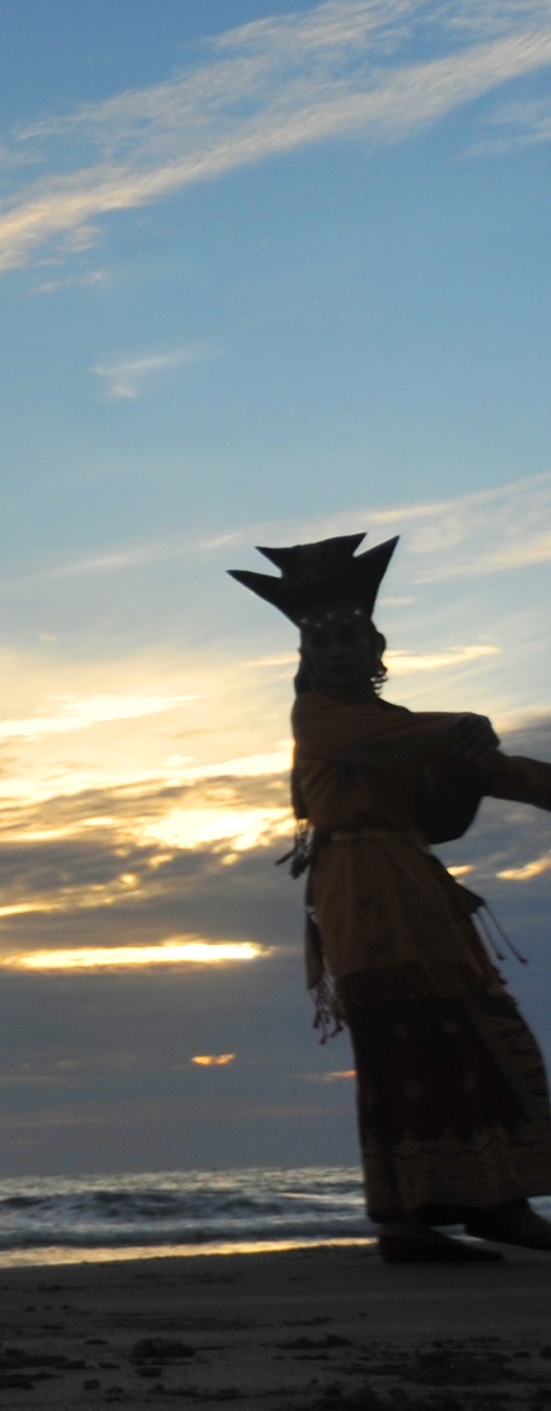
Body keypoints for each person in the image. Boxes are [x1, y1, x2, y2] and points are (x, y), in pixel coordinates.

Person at [234, 534, 551, 1263]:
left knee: (471, 1033)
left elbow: (468, 780)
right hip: (365, 894)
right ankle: (410, 1218)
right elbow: (399, 744)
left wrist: (502, 771)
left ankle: (493, 1200)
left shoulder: (400, 725)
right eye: (323, 640)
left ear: (375, 644)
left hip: (415, 887)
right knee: (403, 1042)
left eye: (350, 635)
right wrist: (461, 730)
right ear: (308, 656)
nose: (338, 650)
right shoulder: (321, 717)